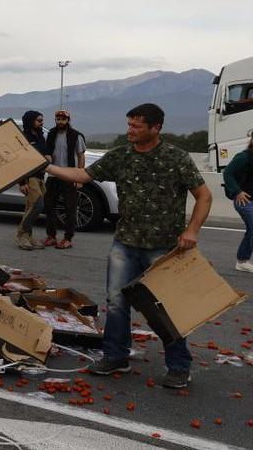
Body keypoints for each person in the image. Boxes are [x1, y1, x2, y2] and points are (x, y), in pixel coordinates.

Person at [46, 103, 211, 389]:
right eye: (129, 125)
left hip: (163, 248)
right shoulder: (121, 156)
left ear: (156, 128)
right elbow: (83, 176)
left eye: (136, 126)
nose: (130, 131)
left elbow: (204, 196)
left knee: (165, 307)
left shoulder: (176, 158)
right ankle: (115, 356)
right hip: (125, 243)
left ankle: (179, 366)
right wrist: (46, 167)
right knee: (116, 301)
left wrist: (192, 231)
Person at [43, 110, 86, 249]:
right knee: (49, 205)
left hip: (69, 175)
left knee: (70, 208)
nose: (60, 122)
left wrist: (79, 178)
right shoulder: (51, 134)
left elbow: (81, 156)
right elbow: (47, 152)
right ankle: (51, 236)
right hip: (53, 175)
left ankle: (68, 238)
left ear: (68, 121)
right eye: (58, 119)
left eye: (63, 119)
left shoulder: (76, 135)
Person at [15, 110, 49, 251]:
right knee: (38, 205)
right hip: (30, 177)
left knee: (31, 207)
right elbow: (19, 161)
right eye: (39, 121)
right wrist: (22, 182)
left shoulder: (40, 136)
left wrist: (48, 156)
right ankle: (21, 234)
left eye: (42, 120)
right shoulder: (23, 138)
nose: (42, 123)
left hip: (40, 176)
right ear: (30, 121)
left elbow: (44, 153)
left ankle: (28, 236)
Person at [222, 132, 253, 273]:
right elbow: (227, 173)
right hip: (244, 200)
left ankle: (242, 260)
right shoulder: (244, 156)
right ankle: (242, 261)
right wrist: (237, 191)